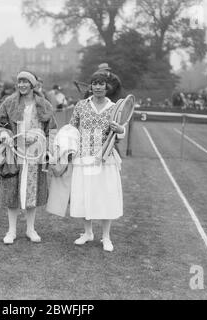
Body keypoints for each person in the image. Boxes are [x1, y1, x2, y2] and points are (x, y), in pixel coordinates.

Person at [0, 70, 57, 244]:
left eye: (26, 82)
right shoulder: (9, 103)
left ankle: (30, 229)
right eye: (20, 82)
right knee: (12, 191)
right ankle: (11, 231)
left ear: (33, 84)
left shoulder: (44, 105)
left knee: (32, 193)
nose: (22, 85)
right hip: (13, 154)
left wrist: (46, 146)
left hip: (35, 155)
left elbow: (53, 130)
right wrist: (4, 133)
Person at [68, 72, 126, 252]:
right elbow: (72, 128)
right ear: (90, 86)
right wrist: (69, 148)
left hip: (105, 159)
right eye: (94, 83)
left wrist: (120, 129)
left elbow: (121, 134)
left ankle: (106, 237)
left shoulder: (115, 107)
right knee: (85, 195)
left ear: (107, 86)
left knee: (105, 196)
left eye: (101, 84)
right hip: (83, 158)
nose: (98, 87)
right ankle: (87, 233)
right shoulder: (81, 106)